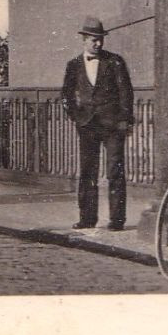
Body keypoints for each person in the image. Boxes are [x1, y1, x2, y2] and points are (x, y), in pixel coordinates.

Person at [61, 16, 135, 230]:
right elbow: (66, 94)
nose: (98, 44)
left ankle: (117, 220)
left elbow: (126, 93)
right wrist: (75, 116)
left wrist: (125, 120)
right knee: (87, 171)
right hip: (87, 125)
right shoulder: (73, 65)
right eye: (93, 39)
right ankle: (87, 218)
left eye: (100, 39)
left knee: (115, 171)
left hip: (112, 125)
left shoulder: (115, 61)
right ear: (84, 39)